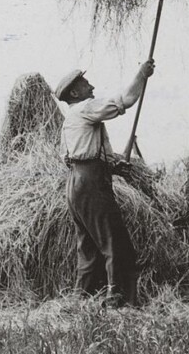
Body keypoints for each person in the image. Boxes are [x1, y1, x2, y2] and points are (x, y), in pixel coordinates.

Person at [54, 60, 155, 308]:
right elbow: (125, 100)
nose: (92, 86)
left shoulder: (69, 120)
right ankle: (117, 299)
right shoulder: (86, 108)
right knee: (114, 240)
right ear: (75, 93)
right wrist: (141, 74)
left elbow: (73, 156)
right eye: (86, 84)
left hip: (75, 184)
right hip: (91, 183)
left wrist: (112, 166)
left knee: (87, 246)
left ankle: (81, 298)